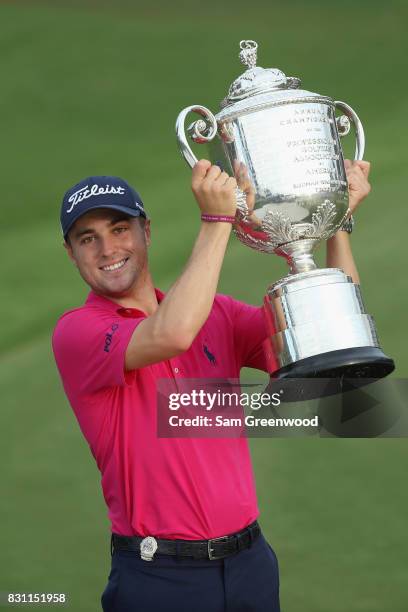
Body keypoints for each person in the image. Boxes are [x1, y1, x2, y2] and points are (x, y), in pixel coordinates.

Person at [52, 158, 371, 612]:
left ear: (147, 231)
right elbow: (171, 333)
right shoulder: (77, 331)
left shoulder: (216, 313)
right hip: (160, 578)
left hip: (250, 566)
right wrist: (218, 219)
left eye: (119, 228)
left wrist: (337, 222)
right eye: (88, 238)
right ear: (71, 253)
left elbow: (334, 339)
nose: (107, 248)